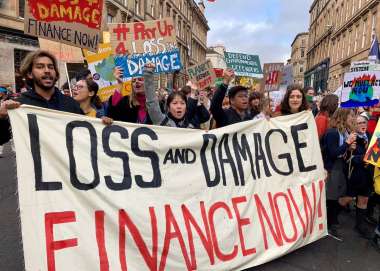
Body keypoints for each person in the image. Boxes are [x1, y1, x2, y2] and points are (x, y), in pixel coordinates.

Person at [0, 50, 83, 144]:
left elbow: (85, 136)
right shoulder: (18, 105)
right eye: (40, 67)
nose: (47, 70)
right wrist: (1, 117)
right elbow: (2, 139)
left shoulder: (72, 104)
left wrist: (102, 126)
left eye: (51, 67)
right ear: (30, 74)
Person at [323, 108, 356, 238]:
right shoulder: (332, 132)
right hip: (332, 168)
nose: (352, 119)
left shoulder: (343, 133)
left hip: (340, 167)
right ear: (343, 117)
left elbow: (342, 152)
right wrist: (347, 144)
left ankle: (331, 221)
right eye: (351, 116)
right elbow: (333, 153)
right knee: (331, 197)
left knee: (339, 195)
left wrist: (349, 149)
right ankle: (330, 224)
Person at [144, 63, 209, 128]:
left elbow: (202, 114)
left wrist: (194, 92)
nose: (179, 106)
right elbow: (152, 103)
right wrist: (148, 73)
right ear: (168, 107)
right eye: (175, 103)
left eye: (182, 103)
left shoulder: (191, 123)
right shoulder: (162, 121)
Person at [346, 114, 374, 239]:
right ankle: (332, 219)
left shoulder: (371, 135)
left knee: (364, 199)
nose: (363, 125)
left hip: (368, 174)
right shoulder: (352, 138)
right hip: (355, 174)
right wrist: (364, 158)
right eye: (359, 123)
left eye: (364, 122)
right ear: (354, 125)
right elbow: (348, 159)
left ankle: (360, 225)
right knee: (345, 200)